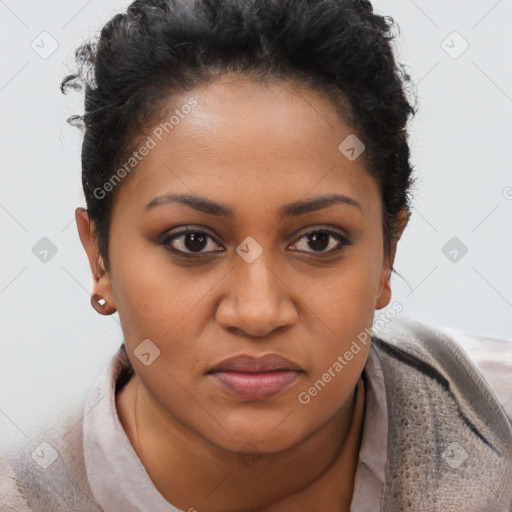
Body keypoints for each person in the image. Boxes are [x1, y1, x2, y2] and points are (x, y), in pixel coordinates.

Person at [1, 0, 511, 511]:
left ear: (387, 255)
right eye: (192, 241)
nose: (258, 312)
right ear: (99, 260)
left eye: (318, 240)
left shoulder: (496, 428)